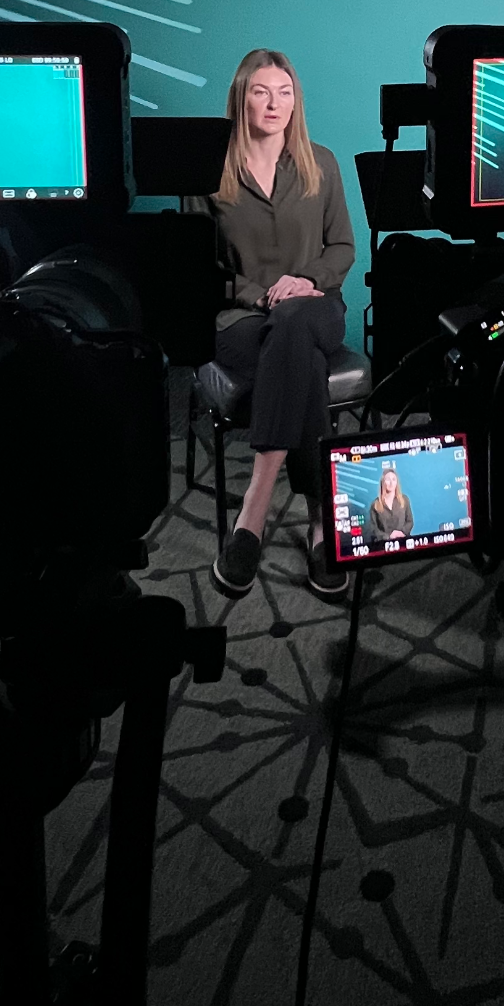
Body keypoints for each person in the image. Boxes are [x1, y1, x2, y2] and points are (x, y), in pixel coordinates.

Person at [202, 49, 355, 601]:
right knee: (300, 353)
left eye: (285, 92)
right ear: (241, 99)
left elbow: (343, 248)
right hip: (241, 318)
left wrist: (305, 281)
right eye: (261, 92)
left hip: (316, 306)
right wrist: (261, 293)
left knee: (295, 322)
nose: (274, 103)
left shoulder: (322, 162)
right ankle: (321, 523)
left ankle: (253, 511)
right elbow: (199, 267)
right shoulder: (209, 169)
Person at [363, 465, 413, 546]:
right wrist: (388, 536)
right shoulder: (375, 505)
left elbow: (410, 521)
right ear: (383, 482)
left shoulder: (404, 500)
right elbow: (373, 529)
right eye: (388, 479)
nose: (391, 483)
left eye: (393, 479)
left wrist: (401, 532)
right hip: (384, 545)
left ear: (397, 482)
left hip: (404, 543)